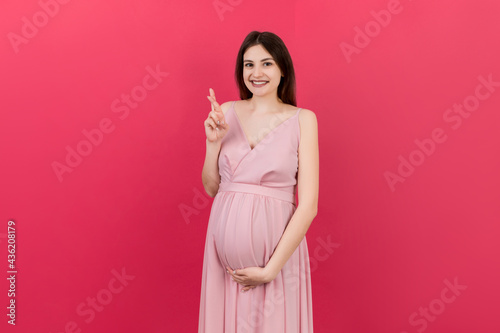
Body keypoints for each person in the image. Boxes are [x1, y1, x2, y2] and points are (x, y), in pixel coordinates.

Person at [199, 30, 319, 333]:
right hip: (223, 268)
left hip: (277, 263)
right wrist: (213, 143)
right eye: (248, 64)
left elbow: (308, 206)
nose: (256, 73)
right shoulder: (225, 112)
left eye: (266, 63)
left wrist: (270, 270)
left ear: (282, 69)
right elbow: (212, 188)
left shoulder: (303, 119)